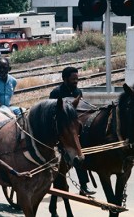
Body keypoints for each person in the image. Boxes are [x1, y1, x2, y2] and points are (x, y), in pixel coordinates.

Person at [49, 66, 96, 196]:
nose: (76, 82)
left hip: (72, 130)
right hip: (60, 132)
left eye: (77, 79)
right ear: (65, 79)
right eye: (73, 79)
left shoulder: (78, 92)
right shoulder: (56, 93)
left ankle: (83, 186)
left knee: (79, 156)